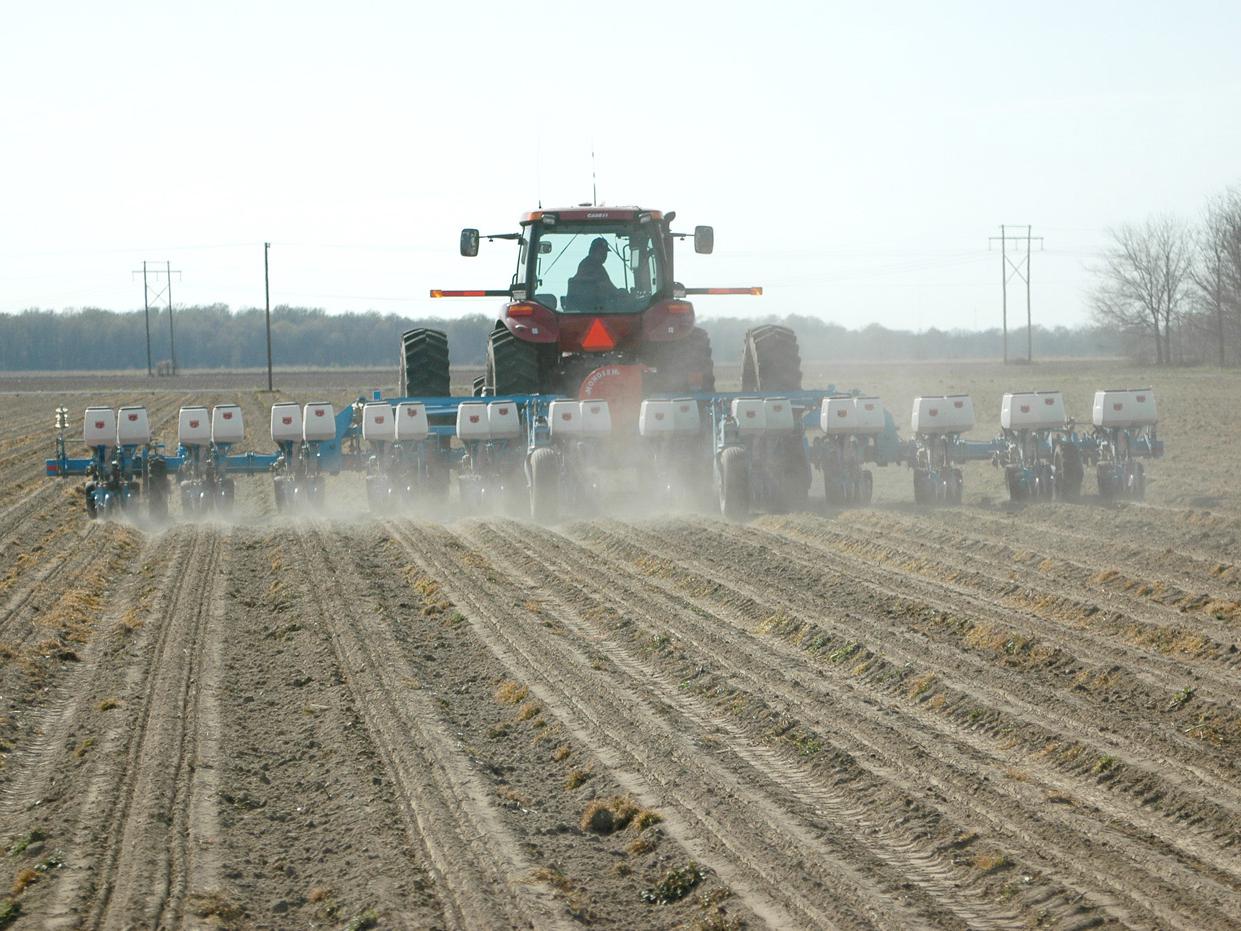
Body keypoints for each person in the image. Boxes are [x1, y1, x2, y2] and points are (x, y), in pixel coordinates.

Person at [565, 237, 618, 311]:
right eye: (602, 252)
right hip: (591, 308)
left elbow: (608, 286)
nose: (605, 255)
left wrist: (619, 292)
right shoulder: (589, 265)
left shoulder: (598, 266)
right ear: (593, 251)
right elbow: (606, 286)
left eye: (605, 253)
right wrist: (620, 294)